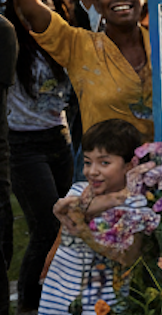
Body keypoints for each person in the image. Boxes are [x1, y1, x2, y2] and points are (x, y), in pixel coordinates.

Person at [3, 0, 72, 315]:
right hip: (23, 146)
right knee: (46, 228)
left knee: (70, 227)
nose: (39, 4)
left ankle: (59, 299)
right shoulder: (11, 42)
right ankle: (28, 306)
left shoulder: (66, 41)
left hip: (60, 138)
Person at [39, 119, 147, 315]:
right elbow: (66, 213)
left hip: (102, 305)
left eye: (104, 162)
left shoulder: (135, 205)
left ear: (130, 165)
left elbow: (128, 258)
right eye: (87, 162)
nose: (92, 171)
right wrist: (113, 199)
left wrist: (85, 233)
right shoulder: (79, 190)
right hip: (58, 298)